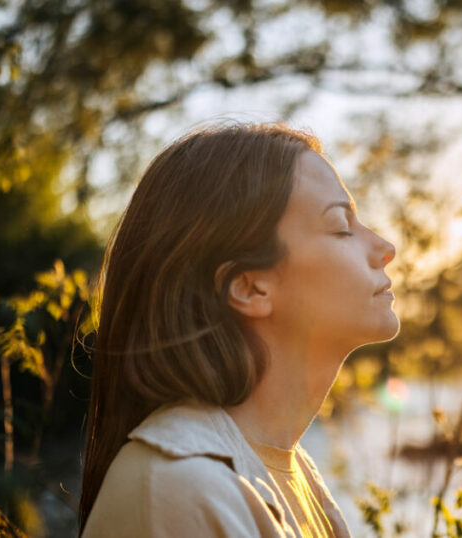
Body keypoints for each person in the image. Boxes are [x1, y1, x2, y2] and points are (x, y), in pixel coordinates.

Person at [78, 123, 398, 537]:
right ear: (250, 287)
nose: (385, 249)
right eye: (341, 226)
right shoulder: (176, 488)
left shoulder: (288, 469)